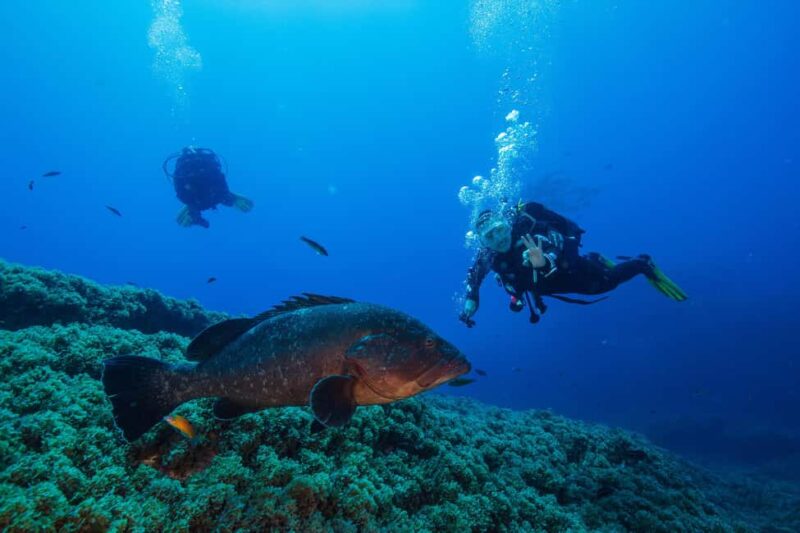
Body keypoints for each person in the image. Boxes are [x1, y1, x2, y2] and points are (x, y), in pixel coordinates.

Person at [459, 201, 687, 327]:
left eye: (500, 230)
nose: (498, 238)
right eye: (490, 236)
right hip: (544, 286)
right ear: (483, 242)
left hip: (565, 270)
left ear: (507, 225)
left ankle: (642, 263)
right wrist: (470, 303)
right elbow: (474, 279)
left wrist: (542, 260)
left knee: (603, 284)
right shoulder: (487, 256)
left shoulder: (528, 235)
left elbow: (550, 245)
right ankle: (595, 258)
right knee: (596, 278)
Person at [162, 147, 254, 228]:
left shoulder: (183, 170)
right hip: (215, 193)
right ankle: (228, 199)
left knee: (192, 211)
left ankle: (195, 215)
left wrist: (191, 207)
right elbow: (221, 180)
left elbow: (180, 194)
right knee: (223, 197)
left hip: (198, 199)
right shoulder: (207, 164)